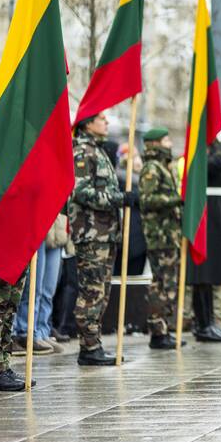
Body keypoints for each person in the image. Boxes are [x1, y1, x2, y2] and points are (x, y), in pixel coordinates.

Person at [70, 112, 135, 365]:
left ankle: (93, 344)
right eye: (102, 119)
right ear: (88, 123)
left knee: (101, 292)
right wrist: (120, 199)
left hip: (104, 232)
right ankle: (88, 347)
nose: (107, 123)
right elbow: (81, 191)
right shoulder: (83, 151)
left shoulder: (96, 150)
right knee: (91, 292)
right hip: (91, 233)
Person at [138, 128, 185, 349]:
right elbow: (147, 199)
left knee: (169, 284)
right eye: (166, 139)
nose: (170, 142)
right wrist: (175, 199)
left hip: (170, 234)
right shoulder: (151, 168)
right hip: (159, 235)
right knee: (161, 284)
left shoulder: (166, 166)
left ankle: (165, 328)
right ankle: (157, 330)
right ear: (155, 143)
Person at [189, 130, 221, 342]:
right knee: (202, 273)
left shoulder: (211, 150)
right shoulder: (199, 151)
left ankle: (209, 322)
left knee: (211, 274)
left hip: (216, 215)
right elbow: (217, 164)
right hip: (204, 215)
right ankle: (202, 324)